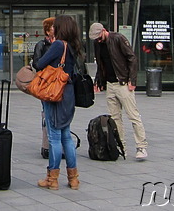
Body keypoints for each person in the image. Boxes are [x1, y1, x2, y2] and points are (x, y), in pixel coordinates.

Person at [33, 15, 82, 190]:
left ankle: (52, 179)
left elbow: (39, 64)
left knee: (54, 136)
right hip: (68, 92)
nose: (53, 28)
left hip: (54, 93)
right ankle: (73, 178)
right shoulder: (73, 46)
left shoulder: (58, 45)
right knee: (66, 136)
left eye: (55, 26)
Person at [89, 22, 148, 161]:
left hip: (123, 83)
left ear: (104, 30)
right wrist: (99, 81)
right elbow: (100, 64)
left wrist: (132, 80)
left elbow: (132, 58)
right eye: (95, 38)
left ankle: (141, 146)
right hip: (110, 84)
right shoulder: (98, 44)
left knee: (133, 115)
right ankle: (122, 147)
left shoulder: (118, 38)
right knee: (115, 118)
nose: (98, 40)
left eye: (99, 36)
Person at [32, 17, 55, 159]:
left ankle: (56, 144)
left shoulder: (61, 43)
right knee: (46, 113)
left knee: (57, 114)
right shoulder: (41, 45)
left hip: (57, 83)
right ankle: (46, 145)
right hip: (46, 82)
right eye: (53, 27)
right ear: (47, 30)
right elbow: (37, 63)